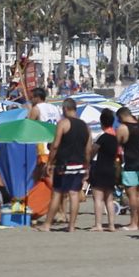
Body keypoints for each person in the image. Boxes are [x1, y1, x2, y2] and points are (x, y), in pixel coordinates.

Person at [37, 98, 89, 233]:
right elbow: (88, 148)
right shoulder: (85, 126)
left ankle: (47, 225)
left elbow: (55, 145)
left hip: (64, 164)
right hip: (79, 164)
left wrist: (49, 162)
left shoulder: (63, 123)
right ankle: (71, 226)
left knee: (57, 193)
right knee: (74, 194)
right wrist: (87, 165)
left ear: (65, 109)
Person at [87, 108, 122, 232]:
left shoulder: (103, 137)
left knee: (98, 198)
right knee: (109, 198)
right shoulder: (115, 138)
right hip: (111, 168)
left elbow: (93, 151)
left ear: (102, 123)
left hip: (101, 167)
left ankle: (98, 224)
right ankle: (111, 225)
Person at [116, 105, 139, 232]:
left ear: (121, 116)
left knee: (132, 195)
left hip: (131, 163)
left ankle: (133, 222)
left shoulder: (123, 127)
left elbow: (118, 143)